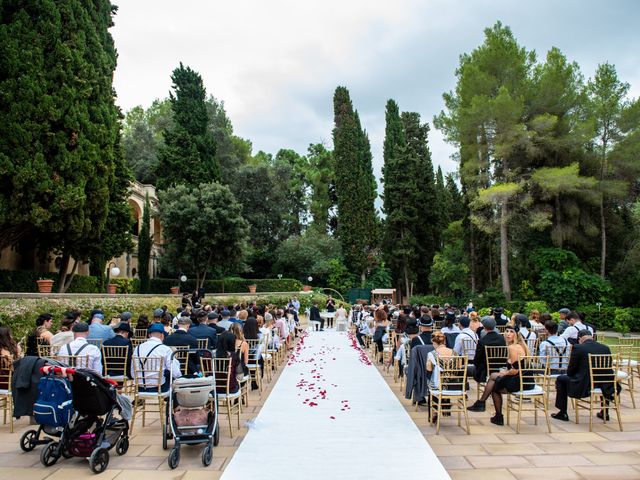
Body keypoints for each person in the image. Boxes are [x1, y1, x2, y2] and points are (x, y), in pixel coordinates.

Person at [468, 325, 531, 425]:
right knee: (493, 376)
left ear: (516, 335)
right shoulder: (519, 345)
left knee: (495, 386)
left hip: (520, 381)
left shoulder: (512, 348)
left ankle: (491, 410)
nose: (508, 334)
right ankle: (483, 405)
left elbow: (515, 370)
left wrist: (504, 373)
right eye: (507, 331)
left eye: (511, 332)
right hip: (526, 379)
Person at [551, 329, 618, 422]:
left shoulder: (578, 348)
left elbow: (571, 370)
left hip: (585, 383)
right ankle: (605, 411)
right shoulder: (605, 348)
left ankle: (563, 412)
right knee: (602, 377)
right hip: (606, 384)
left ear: (580, 339)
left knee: (561, 379)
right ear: (592, 337)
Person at [132, 323, 181, 393]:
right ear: (162, 335)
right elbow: (176, 373)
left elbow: (132, 373)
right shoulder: (165, 349)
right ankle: (170, 402)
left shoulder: (137, 348)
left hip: (139, 387)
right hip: (159, 388)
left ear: (149, 335)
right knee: (170, 373)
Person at [426, 332, 454, 423]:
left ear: (434, 343)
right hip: (453, 384)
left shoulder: (432, 354)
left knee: (431, 382)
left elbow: (429, 369)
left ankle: (434, 412)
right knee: (439, 380)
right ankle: (446, 409)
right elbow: (458, 367)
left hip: (439, 385)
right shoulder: (454, 352)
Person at [472, 316, 506, 384]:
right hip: (500, 368)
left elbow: (477, 359)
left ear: (484, 327)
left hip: (485, 371)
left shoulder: (482, 341)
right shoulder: (502, 339)